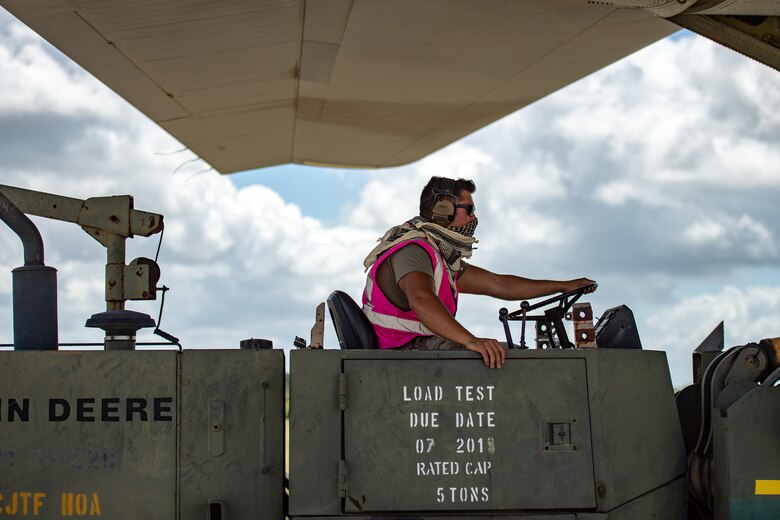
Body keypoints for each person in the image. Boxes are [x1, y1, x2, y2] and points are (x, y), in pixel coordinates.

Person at [362, 176, 595, 369]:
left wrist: (564, 286)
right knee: (514, 361)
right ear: (444, 211)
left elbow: (497, 284)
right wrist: (471, 341)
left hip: (413, 349)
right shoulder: (414, 250)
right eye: (469, 209)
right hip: (403, 352)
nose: (473, 217)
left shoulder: (440, 256)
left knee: (511, 355)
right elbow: (421, 299)